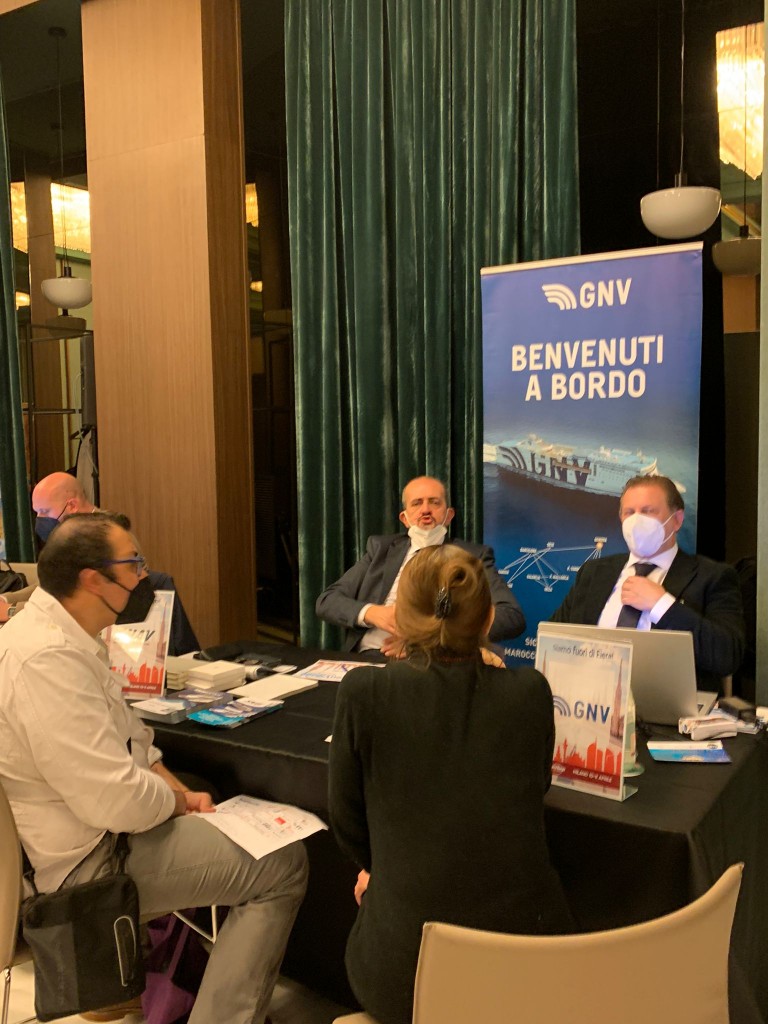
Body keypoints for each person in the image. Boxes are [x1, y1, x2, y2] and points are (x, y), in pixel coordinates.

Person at [0, 514, 307, 1024]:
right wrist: (177, 802)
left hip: (92, 836)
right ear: (93, 579)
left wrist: (180, 794)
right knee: (282, 862)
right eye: (133, 563)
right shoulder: (45, 660)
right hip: (86, 866)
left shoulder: (63, 635)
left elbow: (134, 740)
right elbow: (115, 800)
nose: (144, 574)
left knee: (207, 797)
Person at [328, 544, 572, 1024]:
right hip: (529, 962)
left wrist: (382, 872)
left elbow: (346, 819)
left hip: (402, 975)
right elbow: (535, 787)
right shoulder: (530, 692)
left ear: (400, 618)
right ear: (487, 619)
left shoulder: (364, 692)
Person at [550, 475, 745, 684]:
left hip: (668, 702)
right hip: (590, 696)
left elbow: (727, 656)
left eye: (648, 511)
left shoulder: (713, 577)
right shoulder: (594, 572)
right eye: (629, 512)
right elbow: (553, 638)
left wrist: (662, 605)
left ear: (677, 520)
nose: (636, 521)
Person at [316, 475, 524, 653]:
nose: (425, 510)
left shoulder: (473, 556)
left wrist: (429, 641)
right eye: (416, 503)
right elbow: (327, 601)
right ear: (404, 518)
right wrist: (373, 613)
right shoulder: (380, 549)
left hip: (436, 660)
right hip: (370, 656)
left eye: (434, 502)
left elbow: (511, 617)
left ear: (449, 515)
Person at [7, 472, 199, 654]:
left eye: (44, 511)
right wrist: (9, 599)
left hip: (116, 639)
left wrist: (12, 609)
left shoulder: (107, 539)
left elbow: (70, 602)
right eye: (37, 513)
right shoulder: (73, 536)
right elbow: (52, 585)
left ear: (71, 505)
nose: (40, 520)